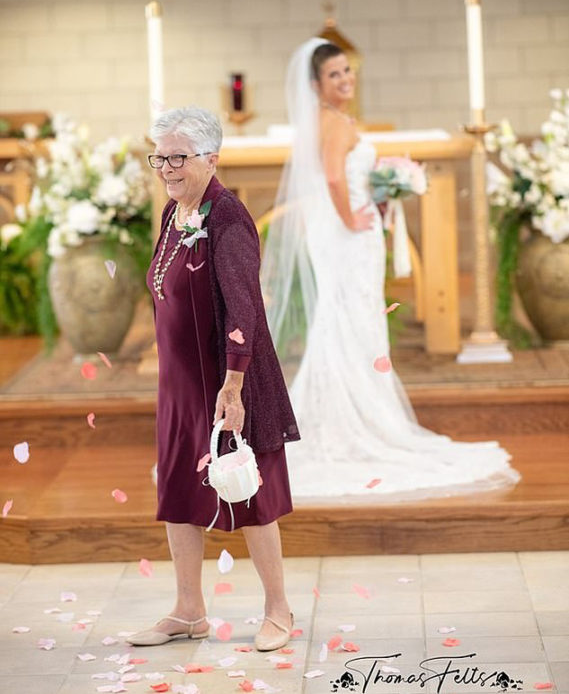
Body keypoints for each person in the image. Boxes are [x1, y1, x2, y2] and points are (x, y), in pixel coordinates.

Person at [260, 39, 521, 500]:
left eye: (348, 71)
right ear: (316, 85)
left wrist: (378, 194)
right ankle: (352, 420)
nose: (346, 79)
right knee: (353, 318)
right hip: (346, 234)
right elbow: (337, 177)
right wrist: (351, 218)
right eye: (335, 75)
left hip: (340, 231)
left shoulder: (325, 121)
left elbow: (337, 177)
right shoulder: (336, 123)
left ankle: (338, 415)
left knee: (342, 320)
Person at [127, 106, 298, 651]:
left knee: (251, 491)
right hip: (180, 384)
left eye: (178, 157)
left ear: (210, 158)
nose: (167, 168)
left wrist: (234, 386)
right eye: (160, 156)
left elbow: (245, 308)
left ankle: (279, 610)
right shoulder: (173, 214)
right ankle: (188, 610)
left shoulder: (227, 217)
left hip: (229, 382)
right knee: (178, 490)